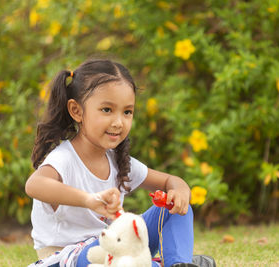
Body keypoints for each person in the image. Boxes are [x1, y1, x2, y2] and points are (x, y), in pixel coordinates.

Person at [25, 59, 215, 267]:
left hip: (115, 249)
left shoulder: (118, 162)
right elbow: (34, 185)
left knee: (175, 207)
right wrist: (88, 199)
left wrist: (180, 190)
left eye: (127, 112)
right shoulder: (64, 158)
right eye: (107, 110)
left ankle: (178, 263)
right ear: (77, 111)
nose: (118, 122)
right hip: (69, 259)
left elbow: (171, 181)